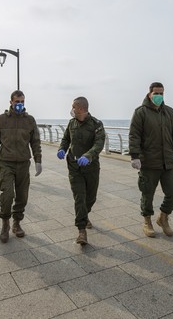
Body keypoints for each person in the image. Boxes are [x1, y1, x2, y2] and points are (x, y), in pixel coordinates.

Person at [129, 82, 173, 238]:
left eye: (162, 93)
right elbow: (134, 135)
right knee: (147, 194)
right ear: (149, 94)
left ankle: (163, 217)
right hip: (148, 162)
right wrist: (135, 156)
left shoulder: (169, 112)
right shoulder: (140, 112)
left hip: (167, 162)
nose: (159, 96)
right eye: (156, 93)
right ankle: (147, 221)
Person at [0, 90, 42, 243]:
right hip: (6, 163)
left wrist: (38, 160)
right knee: (7, 195)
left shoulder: (30, 120)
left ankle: (16, 223)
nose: (20, 104)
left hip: (24, 163)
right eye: (17, 101)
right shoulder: (2, 120)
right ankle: (5, 223)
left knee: (22, 196)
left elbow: (35, 141)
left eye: (22, 102)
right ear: (11, 102)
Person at [57, 97, 105, 245]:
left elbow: (99, 144)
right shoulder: (71, 123)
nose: (71, 109)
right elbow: (66, 139)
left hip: (90, 167)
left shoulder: (97, 124)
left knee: (91, 198)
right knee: (80, 197)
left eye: (73, 107)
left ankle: (85, 215)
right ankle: (81, 231)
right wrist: (62, 148)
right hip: (74, 167)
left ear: (82, 109)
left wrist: (88, 156)